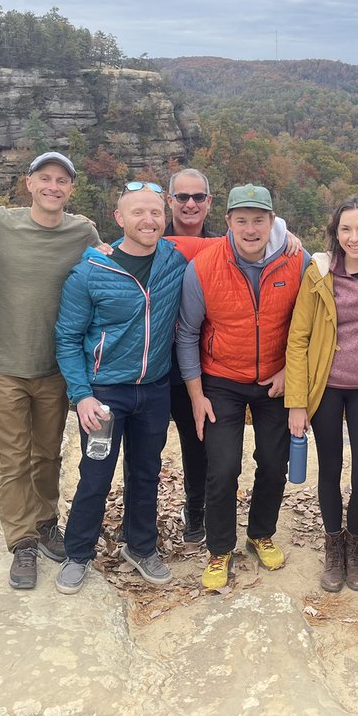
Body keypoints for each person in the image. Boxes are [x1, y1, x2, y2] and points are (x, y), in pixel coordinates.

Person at [0, 151, 99, 589]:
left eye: (62, 180)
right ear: (29, 183)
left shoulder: (82, 231)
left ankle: (45, 523)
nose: (53, 187)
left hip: (57, 367)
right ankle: (21, 541)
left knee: (48, 454)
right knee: (13, 459)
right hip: (4, 364)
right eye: (45, 178)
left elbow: (111, 269)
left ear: (71, 188)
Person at [53, 182, 188, 593]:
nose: (148, 220)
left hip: (153, 389)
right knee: (95, 474)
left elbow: (232, 246)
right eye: (137, 213)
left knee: (146, 472)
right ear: (119, 218)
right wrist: (82, 394)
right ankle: (78, 553)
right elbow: (67, 338)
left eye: (155, 212)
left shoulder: (174, 260)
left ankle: (141, 546)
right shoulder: (91, 271)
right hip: (105, 394)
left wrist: (284, 233)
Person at [176, 184, 311, 590]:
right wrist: (197, 395)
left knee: (273, 462)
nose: (250, 229)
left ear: (272, 221)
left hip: (276, 376)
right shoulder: (205, 266)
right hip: (222, 379)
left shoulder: (296, 261)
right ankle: (220, 549)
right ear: (228, 222)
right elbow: (187, 333)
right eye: (241, 220)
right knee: (223, 466)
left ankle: (260, 533)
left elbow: (308, 326)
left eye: (258, 220)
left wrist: (290, 371)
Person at [286, 197, 358, 592]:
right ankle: (333, 544)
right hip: (328, 384)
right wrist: (297, 403)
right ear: (335, 233)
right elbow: (299, 339)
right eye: (346, 229)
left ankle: (356, 542)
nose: (354, 238)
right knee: (331, 470)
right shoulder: (319, 274)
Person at [163, 167, 222, 545]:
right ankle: (139, 522)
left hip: (202, 361)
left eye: (198, 197)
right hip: (153, 360)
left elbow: (267, 237)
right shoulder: (148, 238)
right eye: (181, 197)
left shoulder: (223, 245)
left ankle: (195, 509)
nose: (189, 204)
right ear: (169, 201)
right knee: (144, 446)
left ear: (208, 202)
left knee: (198, 439)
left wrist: (288, 236)